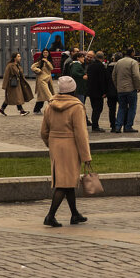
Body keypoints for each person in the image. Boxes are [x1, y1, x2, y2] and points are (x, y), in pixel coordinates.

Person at [40, 76, 91, 227]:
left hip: (55, 145)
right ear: (74, 90)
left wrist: (51, 144)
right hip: (71, 147)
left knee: (67, 180)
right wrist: (86, 155)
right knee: (64, 183)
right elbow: (81, 133)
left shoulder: (50, 106)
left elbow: (43, 131)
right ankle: (50, 215)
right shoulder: (77, 107)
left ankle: (75, 214)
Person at [112, 48, 140, 133]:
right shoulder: (133, 62)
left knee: (121, 107)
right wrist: (137, 86)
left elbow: (113, 76)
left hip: (120, 90)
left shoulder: (118, 62)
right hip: (131, 89)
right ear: (132, 53)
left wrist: (117, 86)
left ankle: (118, 126)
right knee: (132, 107)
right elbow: (136, 75)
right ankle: (128, 126)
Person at [85, 52, 110, 132]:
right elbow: (102, 80)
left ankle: (95, 124)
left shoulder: (90, 66)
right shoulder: (101, 66)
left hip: (91, 90)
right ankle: (95, 126)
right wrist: (104, 91)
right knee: (98, 108)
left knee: (94, 108)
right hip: (98, 91)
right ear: (102, 58)